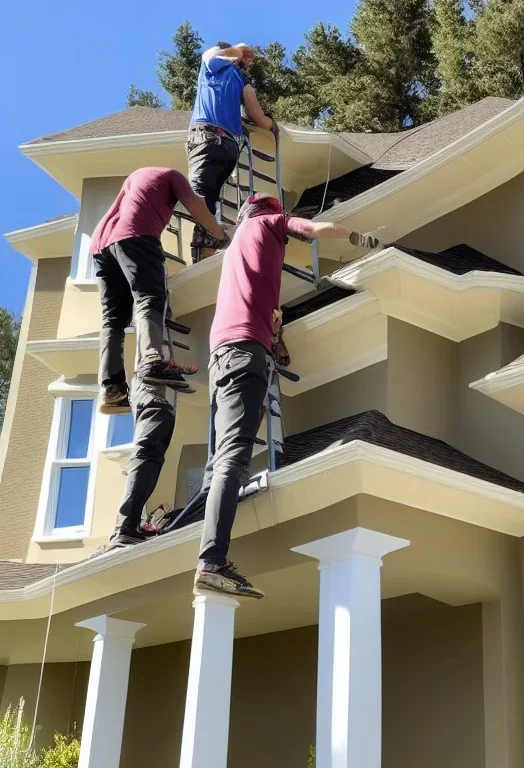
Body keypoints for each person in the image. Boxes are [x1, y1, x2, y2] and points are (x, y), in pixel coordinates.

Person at [194, 193, 380, 598]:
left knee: (227, 449)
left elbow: (253, 300)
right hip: (245, 353)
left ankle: (207, 533)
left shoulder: (235, 249)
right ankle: (212, 560)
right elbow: (314, 230)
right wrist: (359, 238)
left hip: (221, 356)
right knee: (234, 457)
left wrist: (272, 328)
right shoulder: (268, 224)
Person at [92, 167, 228, 414]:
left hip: (100, 245)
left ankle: (112, 388)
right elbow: (196, 207)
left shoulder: (137, 177)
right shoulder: (172, 175)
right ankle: (152, 361)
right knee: (149, 297)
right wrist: (222, 235)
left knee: (113, 318)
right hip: (136, 234)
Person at [187, 42, 275, 254]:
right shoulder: (213, 63)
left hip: (210, 138)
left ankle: (204, 250)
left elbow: (257, 113)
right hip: (226, 146)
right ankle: (210, 247)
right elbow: (260, 117)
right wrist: (241, 49)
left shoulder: (237, 79)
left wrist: (240, 51)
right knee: (209, 201)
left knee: (200, 197)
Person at [95, 377, 176, 555]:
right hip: (151, 395)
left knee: (151, 456)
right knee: (148, 454)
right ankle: (125, 529)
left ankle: (127, 528)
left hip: (150, 395)